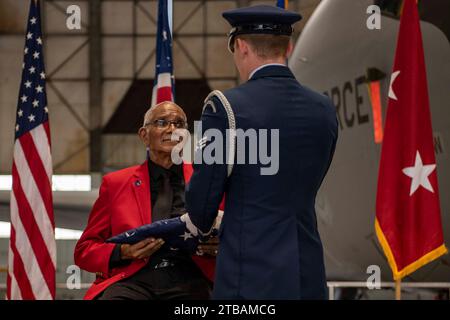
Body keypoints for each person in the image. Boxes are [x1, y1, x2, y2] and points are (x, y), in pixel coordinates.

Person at [185, 5, 338, 299]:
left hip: (251, 275)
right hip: (308, 271)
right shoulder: (324, 109)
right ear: (289, 47)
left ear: (241, 46)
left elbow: (202, 207)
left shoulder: (224, 108)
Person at [74, 101, 217, 300]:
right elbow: (84, 250)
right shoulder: (115, 183)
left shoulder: (206, 179)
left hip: (191, 278)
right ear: (144, 135)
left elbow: (234, 234)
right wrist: (124, 251)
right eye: (162, 122)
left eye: (179, 124)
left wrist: (217, 245)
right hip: (132, 279)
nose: (172, 129)